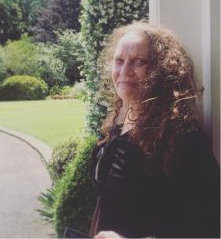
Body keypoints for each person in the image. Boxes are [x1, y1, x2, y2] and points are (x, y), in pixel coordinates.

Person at [89, 21, 220, 238]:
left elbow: (210, 225)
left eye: (139, 61)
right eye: (119, 61)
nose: (124, 71)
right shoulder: (117, 130)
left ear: (162, 70)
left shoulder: (181, 138)